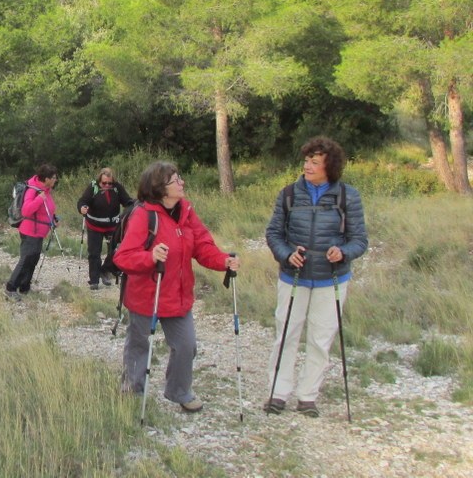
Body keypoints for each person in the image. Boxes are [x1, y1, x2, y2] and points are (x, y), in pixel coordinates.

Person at [113, 161, 239, 413]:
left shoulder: (186, 211)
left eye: (179, 178)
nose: (181, 183)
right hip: (146, 294)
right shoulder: (143, 216)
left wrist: (223, 260)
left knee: (186, 345)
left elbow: (203, 246)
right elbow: (123, 257)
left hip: (178, 295)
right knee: (139, 344)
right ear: (159, 188)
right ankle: (132, 389)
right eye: (175, 180)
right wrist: (150, 257)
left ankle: (178, 391)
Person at [264, 136, 367, 418]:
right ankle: (277, 392)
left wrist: (342, 252)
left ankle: (308, 396)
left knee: (320, 340)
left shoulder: (348, 196)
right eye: (307, 160)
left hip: (331, 279)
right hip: (293, 276)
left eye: (314, 161)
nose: (307, 166)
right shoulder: (288, 194)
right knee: (286, 334)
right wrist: (286, 254)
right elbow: (273, 233)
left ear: (329, 167)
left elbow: (359, 240)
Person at [4, 164, 59, 301]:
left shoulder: (45, 190)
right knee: (26, 260)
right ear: (46, 179)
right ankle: (10, 288)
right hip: (30, 231)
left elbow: (47, 208)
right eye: (53, 178)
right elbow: (26, 210)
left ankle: (24, 287)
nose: (55, 180)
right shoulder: (33, 190)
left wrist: (53, 218)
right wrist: (39, 199)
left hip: (39, 232)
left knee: (33, 260)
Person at [77, 167, 134, 290]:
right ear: (99, 181)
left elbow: (127, 201)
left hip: (113, 225)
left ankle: (105, 271)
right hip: (94, 225)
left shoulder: (117, 187)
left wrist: (134, 206)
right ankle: (94, 280)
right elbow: (83, 201)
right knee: (94, 253)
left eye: (110, 183)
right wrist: (82, 207)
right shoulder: (93, 187)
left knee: (115, 251)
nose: (107, 185)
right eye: (104, 183)